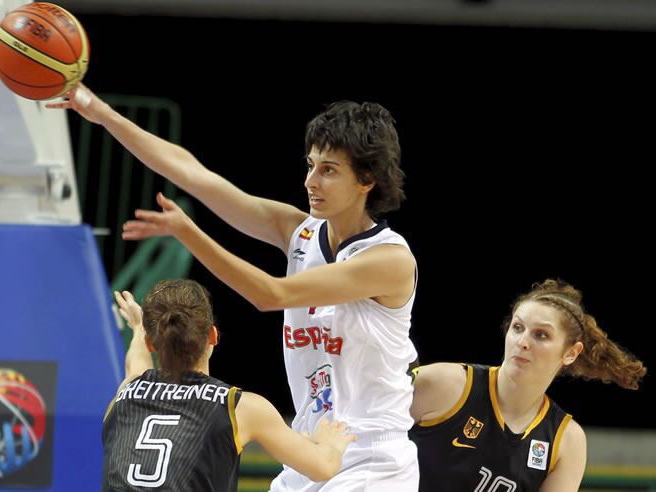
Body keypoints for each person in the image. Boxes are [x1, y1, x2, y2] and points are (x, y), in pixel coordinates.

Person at [49, 85, 419, 491]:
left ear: (366, 179)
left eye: (328, 170)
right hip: (309, 450)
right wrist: (101, 113)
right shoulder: (299, 232)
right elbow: (192, 174)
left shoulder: (390, 261)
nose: (310, 180)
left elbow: (271, 295)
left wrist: (188, 233)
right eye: (310, 165)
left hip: (371, 459)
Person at [104, 279, 355, 491]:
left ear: (151, 344)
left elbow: (135, 364)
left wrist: (138, 328)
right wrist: (329, 442)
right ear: (213, 335)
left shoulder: (126, 392)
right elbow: (323, 467)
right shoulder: (238, 407)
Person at [408, 279, 646, 492]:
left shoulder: (566, 441)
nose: (522, 342)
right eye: (518, 328)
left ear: (571, 353)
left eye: (541, 335)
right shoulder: (445, 384)